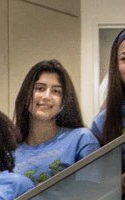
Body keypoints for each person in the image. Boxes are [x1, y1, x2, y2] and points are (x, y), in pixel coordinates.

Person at [10, 60, 101, 188]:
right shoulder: (11, 154)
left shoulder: (81, 139)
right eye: (40, 88)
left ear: (64, 100)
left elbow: (91, 196)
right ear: (26, 94)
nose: (47, 96)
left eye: (56, 91)